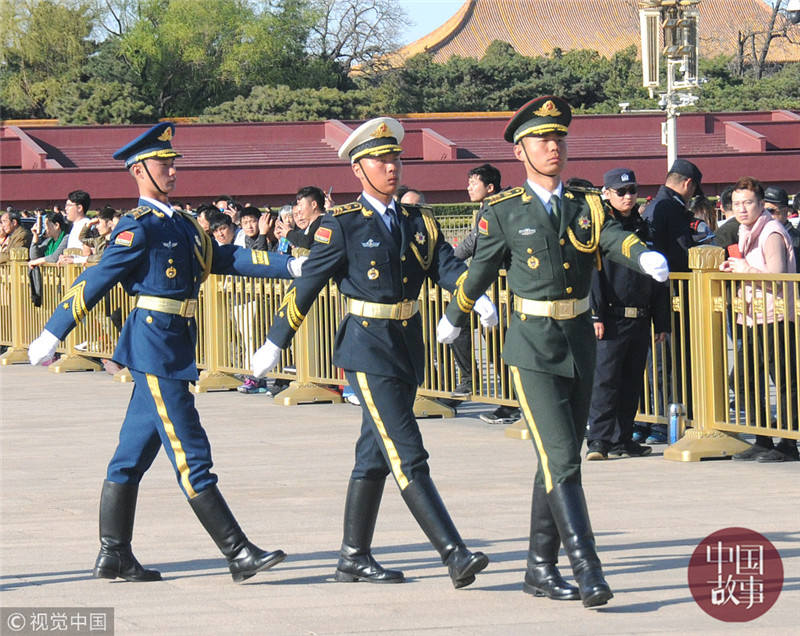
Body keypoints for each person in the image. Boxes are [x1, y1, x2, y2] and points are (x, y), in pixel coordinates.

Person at [27, 122, 304, 584]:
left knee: (131, 455)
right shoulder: (138, 228)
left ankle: (114, 553)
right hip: (155, 347)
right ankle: (237, 553)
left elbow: (226, 258)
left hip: (174, 342)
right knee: (190, 448)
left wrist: (289, 265)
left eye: (173, 162)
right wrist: (54, 331)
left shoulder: (183, 224)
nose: (173, 170)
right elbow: (96, 280)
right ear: (139, 171)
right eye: (163, 163)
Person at [436, 96, 669, 607]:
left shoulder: (585, 204)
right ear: (521, 151)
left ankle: (539, 568)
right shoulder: (501, 211)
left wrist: (642, 252)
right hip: (532, 346)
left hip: (580, 341)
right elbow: (477, 271)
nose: (553, 147)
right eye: (542, 140)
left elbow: (612, 238)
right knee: (563, 455)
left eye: (559, 138)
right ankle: (588, 568)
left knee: (556, 460)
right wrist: (456, 315)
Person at [252, 117, 497, 589]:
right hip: (367, 348)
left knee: (373, 454)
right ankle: (454, 552)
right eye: (381, 160)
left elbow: (445, 267)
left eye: (395, 158)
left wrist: (473, 296)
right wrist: (275, 341)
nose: (391, 166)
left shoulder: (417, 219)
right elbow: (308, 286)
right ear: (358, 170)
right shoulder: (340, 225)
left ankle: (353, 557)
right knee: (407, 451)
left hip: (407, 344)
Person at [586, 169, 670, 461]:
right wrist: (595, 314)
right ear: (606, 194)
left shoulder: (643, 228)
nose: (627, 197)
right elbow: (594, 274)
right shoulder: (601, 228)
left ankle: (622, 438)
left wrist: (661, 321)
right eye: (620, 192)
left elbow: (658, 277)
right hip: (610, 316)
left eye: (632, 190)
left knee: (632, 380)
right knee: (606, 381)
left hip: (640, 315)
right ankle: (598, 439)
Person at [722, 177, 799, 463]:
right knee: (742, 378)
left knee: (783, 380)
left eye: (748, 203)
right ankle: (763, 436)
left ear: (761, 204)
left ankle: (789, 443)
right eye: (736, 204)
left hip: (776, 317)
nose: (741, 209)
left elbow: (777, 277)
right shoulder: (745, 231)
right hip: (753, 318)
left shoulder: (771, 232)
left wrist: (744, 268)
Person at [275, 186, 325, 252]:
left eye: (300, 205)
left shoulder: (323, 222)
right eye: (295, 215)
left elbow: (307, 242)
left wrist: (288, 233)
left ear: (314, 205)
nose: (299, 209)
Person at [763, 186, 800, 264]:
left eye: (771, 211)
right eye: (763, 211)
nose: (766, 215)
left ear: (786, 211)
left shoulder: (796, 240)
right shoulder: (757, 235)